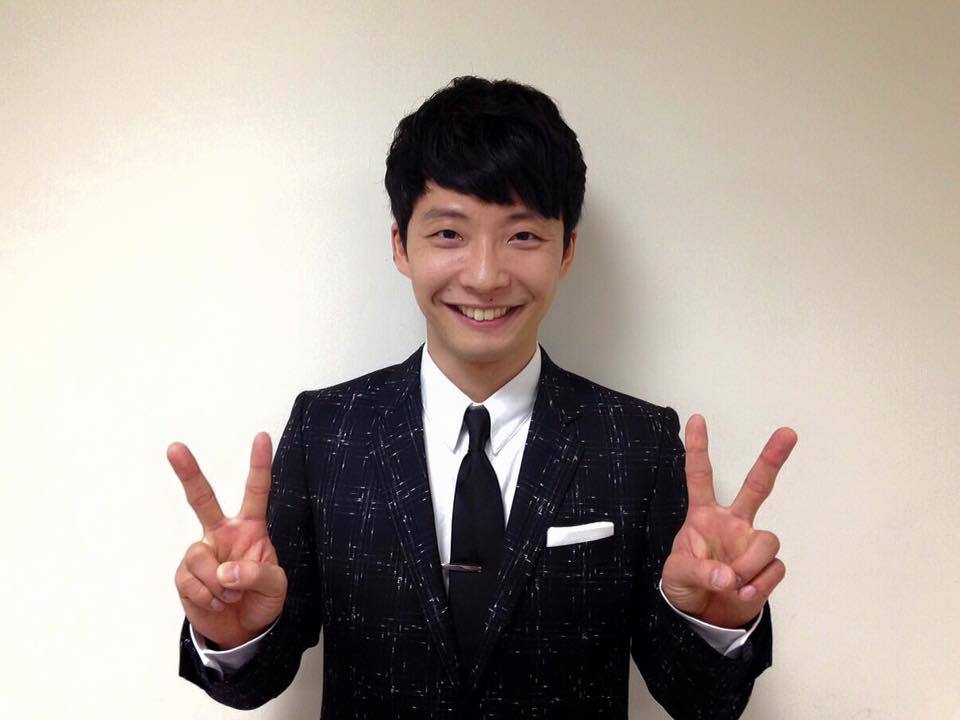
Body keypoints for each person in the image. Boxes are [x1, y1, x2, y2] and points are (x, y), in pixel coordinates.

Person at [170, 76, 797, 719]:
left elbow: (701, 700)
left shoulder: (636, 441)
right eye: (449, 234)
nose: (485, 275)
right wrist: (234, 634)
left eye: (522, 236)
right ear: (400, 245)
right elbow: (254, 681)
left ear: (567, 249)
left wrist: (712, 624)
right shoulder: (327, 430)